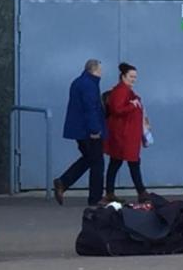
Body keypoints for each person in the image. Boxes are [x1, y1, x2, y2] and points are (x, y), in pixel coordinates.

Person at [52, 59, 106, 207]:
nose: (102, 72)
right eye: (100, 69)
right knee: (97, 163)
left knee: (89, 159)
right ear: (94, 70)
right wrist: (95, 129)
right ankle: (95, 198)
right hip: (88, 131)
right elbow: (90, 109)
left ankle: (63, 182)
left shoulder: (79, 82)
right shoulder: (90, 85)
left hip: (80, 130)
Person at [103, 62, 149, 203]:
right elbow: (117, 109)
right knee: (132, 162)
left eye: (135, 77)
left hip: (124, 134)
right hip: (125, 134)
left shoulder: (124, 90)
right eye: (131, 76)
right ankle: (141, 192)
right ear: (123, 76)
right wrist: (132, 106)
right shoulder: (122, 91)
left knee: (116, 162)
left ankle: (110, 192)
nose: (134, 79)